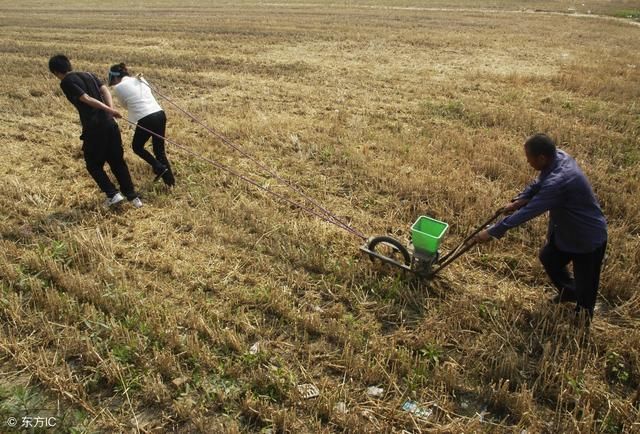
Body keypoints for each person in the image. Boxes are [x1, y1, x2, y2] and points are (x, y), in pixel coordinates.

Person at [476, 133, 607, 322]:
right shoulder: (558, 157)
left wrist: (492, 232)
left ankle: (582, 322)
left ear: (542, 157)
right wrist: (517, 200)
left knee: (586, 287)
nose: (527, 162)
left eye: (529, 157)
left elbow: (527, 213)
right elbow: (537, 183)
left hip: (587, 237)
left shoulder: (559, 182)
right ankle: (569, 291)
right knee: (549, 257)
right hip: (566, 232)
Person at [48, 54, 142, 208]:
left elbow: (85, 98)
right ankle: (133, 197)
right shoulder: (88, 74)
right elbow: (104, 89)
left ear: (56, 72)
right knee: (117, 161)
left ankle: (112, 194)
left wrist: (108, 109)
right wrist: (110, 110)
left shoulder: (66, 81)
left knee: (92, 164)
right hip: (110, 124)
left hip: (94, 127)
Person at [108, 63, 175, 187]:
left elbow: (125, 105)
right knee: (159, 151)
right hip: (160, 114)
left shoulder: (118, 87)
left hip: (146, 118)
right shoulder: (140, 79)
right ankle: (170, 182)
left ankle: (158, 167)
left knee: (137, 147)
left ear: (115, 77)